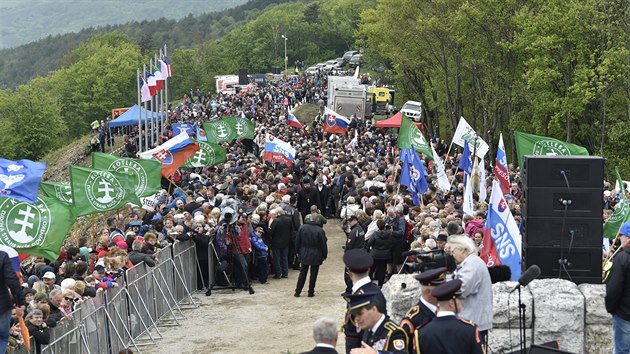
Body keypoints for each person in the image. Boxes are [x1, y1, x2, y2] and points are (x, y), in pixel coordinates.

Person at [445, 235, 493, 347]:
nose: (452, 255)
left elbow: (460, 289)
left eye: (453, 251)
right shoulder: (469, 263)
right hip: (469, 322)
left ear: (462, 249)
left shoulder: (473, 264)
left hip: (473, 322)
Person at [417, 279, 483, 354]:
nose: (462, 302)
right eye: (460, 299)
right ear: (451, 303)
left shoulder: (422, 332)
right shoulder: (470, 330)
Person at [343, 249, 387, 353]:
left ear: (349, 273)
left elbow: (352, 334)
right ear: (369, 269)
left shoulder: (359, 296)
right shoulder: (376, 291)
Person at [343, 292, 408, 354]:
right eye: (354, 315)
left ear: (373, 309)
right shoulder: (367, 329)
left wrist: (377, 353)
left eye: (360, 313)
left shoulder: (394, 332)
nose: (357, 319)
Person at [399, 267, 446, 352]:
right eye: (441, 289)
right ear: (429, 292)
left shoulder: (444, 311)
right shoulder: (412, 320)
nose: (445, 291)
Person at [605, 221, 630, 354]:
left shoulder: (622, 258)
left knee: (622, 351)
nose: (620, 238)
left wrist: (611, 309)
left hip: (625, 315)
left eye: (622, 236)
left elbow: (614, 288)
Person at [294, 211, 328, 297]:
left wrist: (297, 251)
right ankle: (310, 291)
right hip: (316, 253)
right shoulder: (320, 231)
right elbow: (323, 244)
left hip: (304, 252)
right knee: (314, 273)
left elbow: (297, 241)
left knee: (302, 273)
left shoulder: (302, 228)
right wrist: (324, 255)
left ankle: (298, 291)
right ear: (318, 220)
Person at [1, 250, 25, 354]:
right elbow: (12, 279)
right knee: (2, 337)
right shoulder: (2, 256)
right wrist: (20, 302)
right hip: (2, 306)